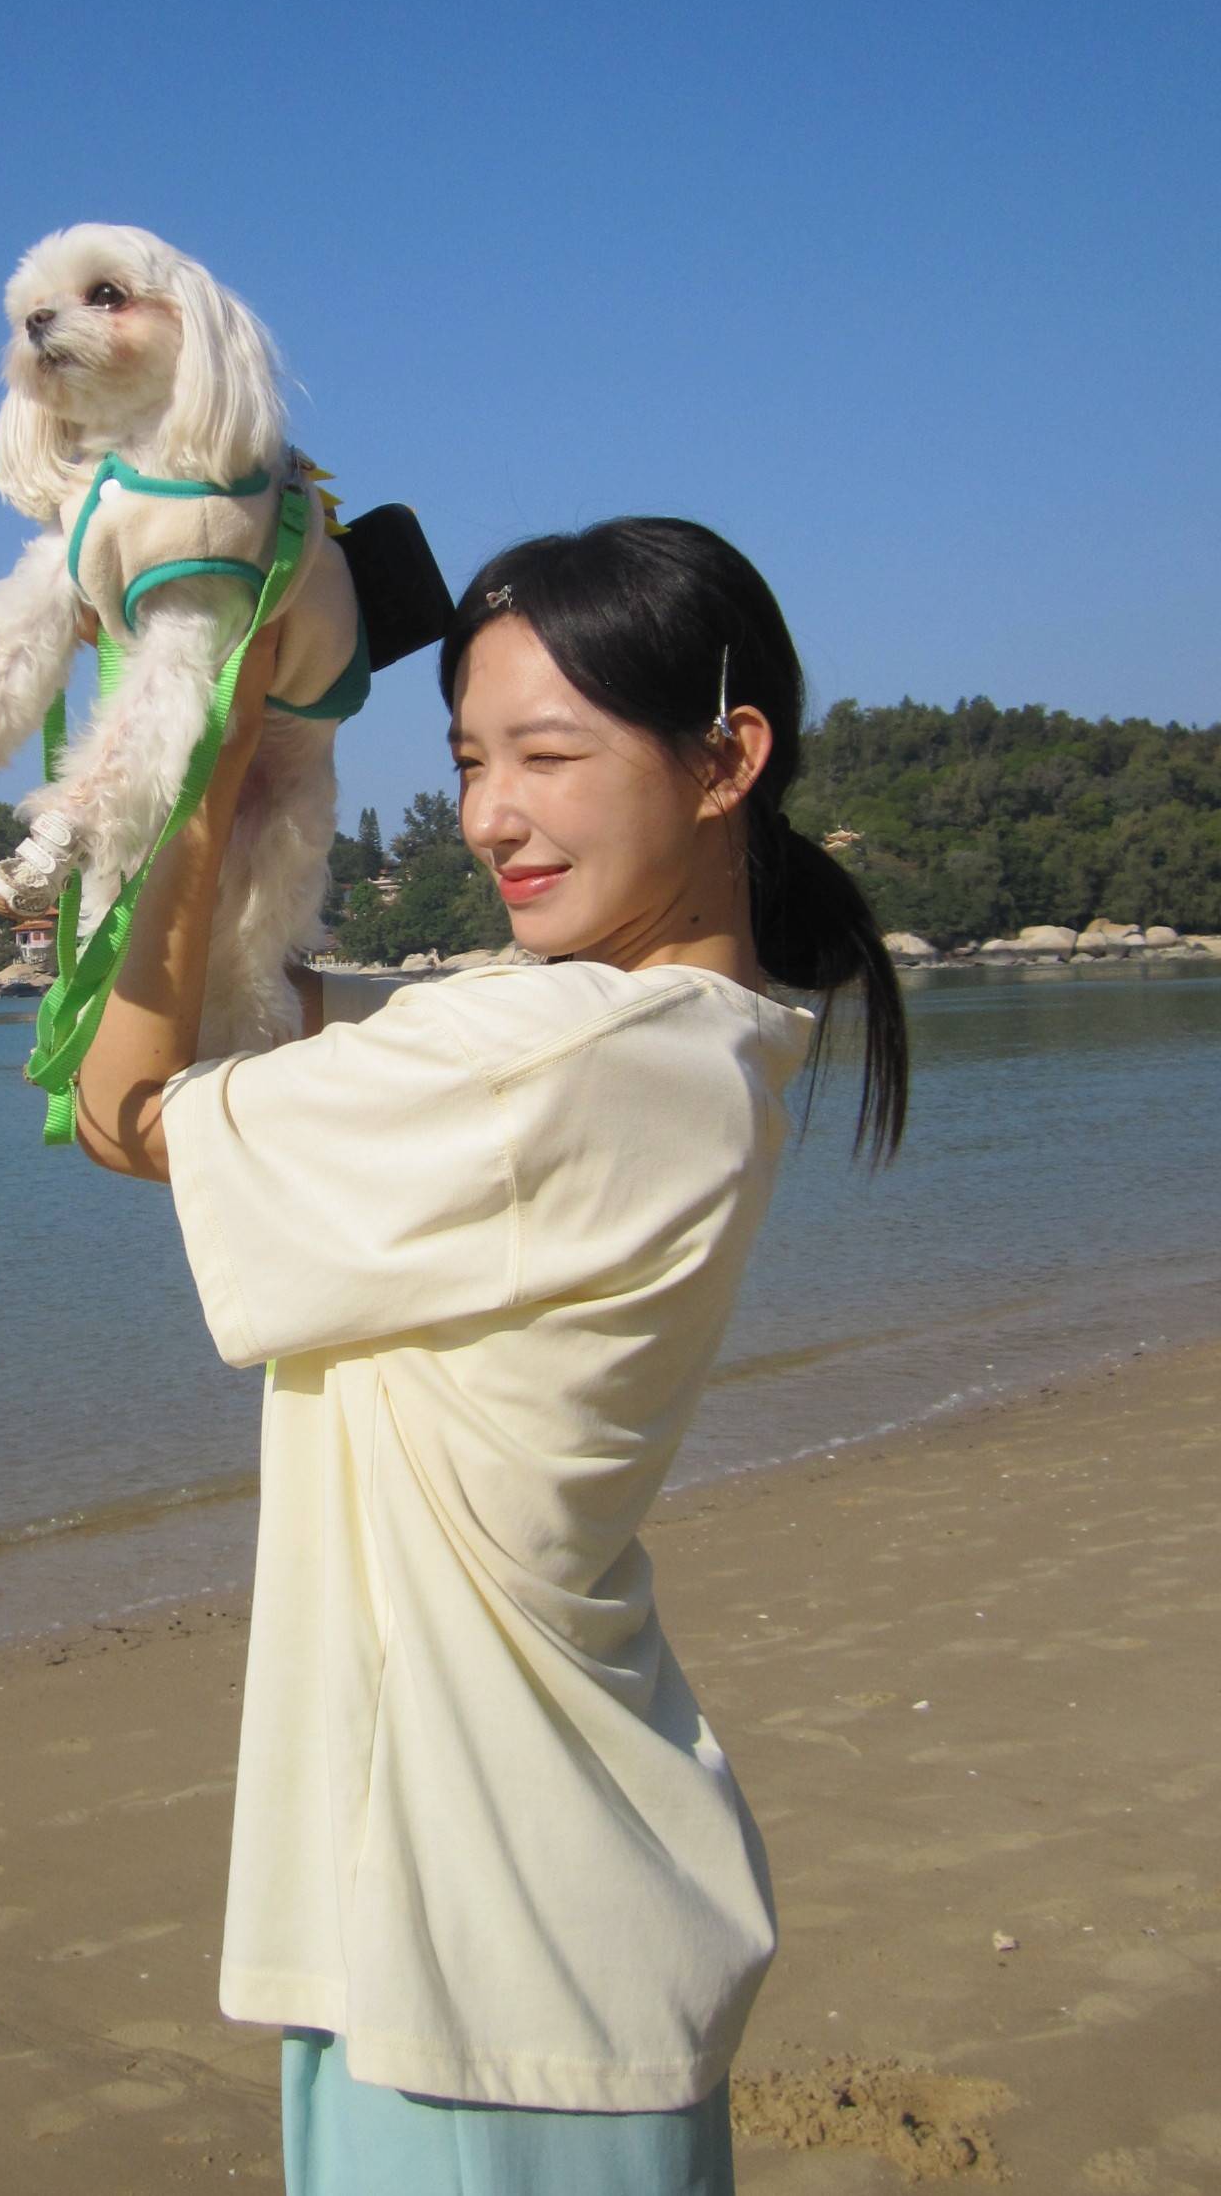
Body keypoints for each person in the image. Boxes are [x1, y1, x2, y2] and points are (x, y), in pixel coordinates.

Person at [68, 515, 908, 2196]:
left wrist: (203, 762)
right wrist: (261, 756)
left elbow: (123, 1105)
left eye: (548, 755)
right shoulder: (693, 1042)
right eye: (466, 759)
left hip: (476, 1964)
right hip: (529, 1928)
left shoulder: (550, 1058)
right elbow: (289, 1033)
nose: (489, 816)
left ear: (726, 757)